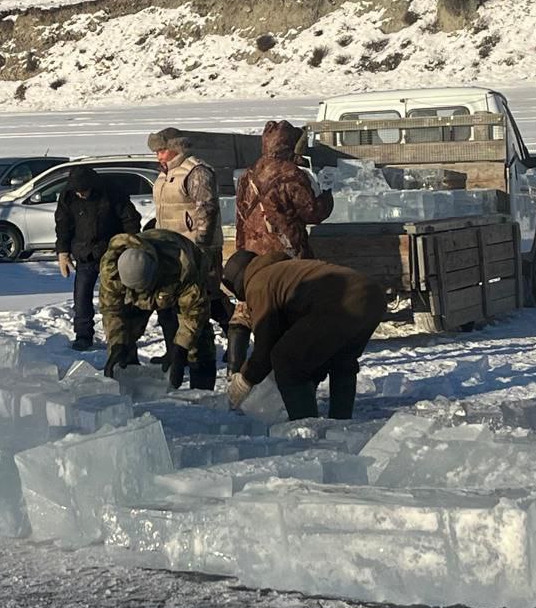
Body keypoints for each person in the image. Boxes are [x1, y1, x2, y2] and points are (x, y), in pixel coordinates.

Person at [221, 249, 386, 421]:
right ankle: (341, 422)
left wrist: (245, 379)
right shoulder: (284, 269)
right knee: (341, 360)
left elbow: (266, 345)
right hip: (372, 295)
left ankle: (304, 426)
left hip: (339, 302)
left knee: (285, 359)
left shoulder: (259, 283)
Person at [229, 120, 335, 373]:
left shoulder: (248, 174)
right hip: (284, 252)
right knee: (289, 304)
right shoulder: (291, 174)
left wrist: (242, 249)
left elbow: (240, 216)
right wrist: (327, 196)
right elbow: (312, 212)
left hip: (251, 253)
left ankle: (234, 365)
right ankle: (286, 363)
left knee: (246, 308)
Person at [97, 228, 216, 389]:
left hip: (180, 278)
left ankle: (202, 387)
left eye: (142, 289)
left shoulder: (182, 265)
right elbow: (111, 310)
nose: (140, 294)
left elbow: (194, 312)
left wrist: (181, 349)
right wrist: (117, 343)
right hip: (148, 281)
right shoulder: (111, 269)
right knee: (125, 334)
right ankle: (129, 383)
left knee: (198, 342)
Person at [146, 126, 224, 371]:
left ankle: (215, 349)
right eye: (156, 152)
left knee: (203, 304)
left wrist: (202, 246)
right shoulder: (165, 174)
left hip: (195, 250)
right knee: (168, 305)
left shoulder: (196, 171)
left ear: (175, 148)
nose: (158, 156)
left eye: (162, 150)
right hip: (170, 251)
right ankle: (175, 352)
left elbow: (207, 209)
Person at [55, 165, 142, 351]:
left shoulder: (111, 192)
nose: (81, 195)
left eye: (84, 191)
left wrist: (131, 245)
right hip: (85, 253)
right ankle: (83, 335)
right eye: (78, 192)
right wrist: (62, 251)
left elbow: (130, 219)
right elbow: (63, 225)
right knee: (81, 297)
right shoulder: (68, 196)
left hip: (113, 253)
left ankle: (121, 335)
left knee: (116, 297)